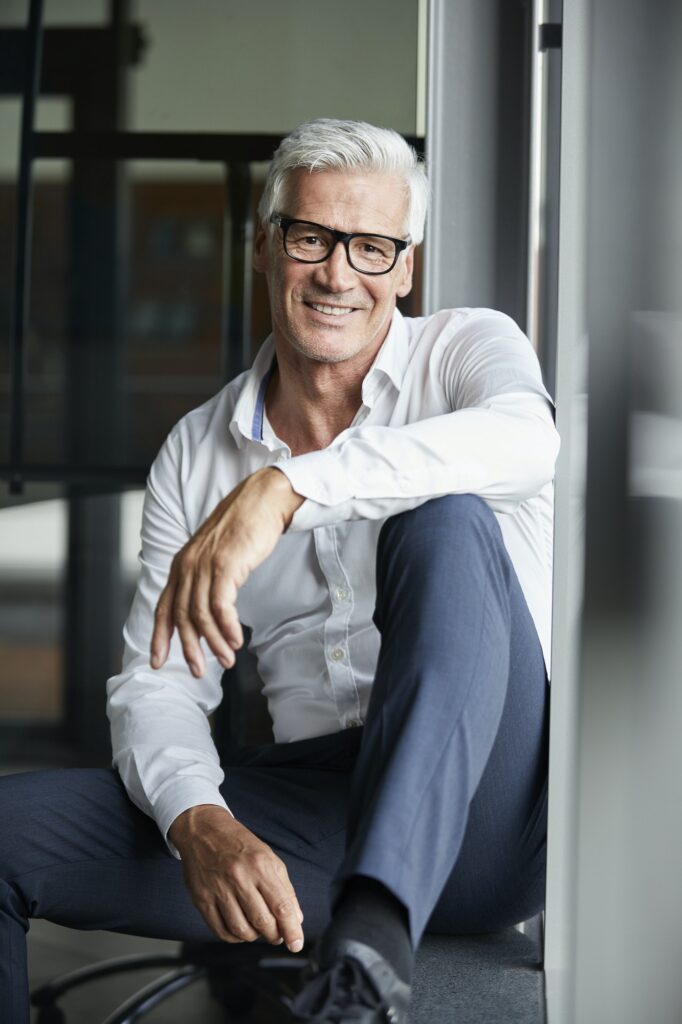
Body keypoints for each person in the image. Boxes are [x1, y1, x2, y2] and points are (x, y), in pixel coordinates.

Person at [0, 118, 558, 1023]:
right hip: (317, 806)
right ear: (263, 247)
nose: (339, 274)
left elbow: (532, 444)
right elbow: (160, 683)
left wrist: (285, 491)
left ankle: (372, 943)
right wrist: (200, 821)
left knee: (446, 522)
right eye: (311, 238)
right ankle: (355, 907)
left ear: (405, 268)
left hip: (489, 806)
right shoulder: (194, 451)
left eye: (371, 247)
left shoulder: (466, 351)